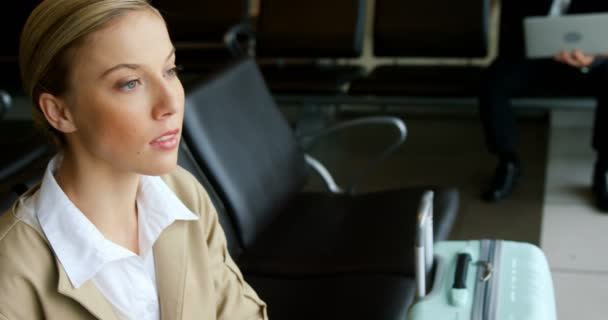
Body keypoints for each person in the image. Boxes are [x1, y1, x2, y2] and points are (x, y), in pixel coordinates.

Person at [0, 0, 267, 319]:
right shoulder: (11, 274)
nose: (170, 103)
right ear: (60, 112)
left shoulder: (183, 194)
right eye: (130, 83)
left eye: (170, 70)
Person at [480, 0, 608, 211]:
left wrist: (592, 60)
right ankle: (507, 161)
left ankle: (604, 167)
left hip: (592, 64)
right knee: (492, 80)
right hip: (536, 62)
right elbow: (512, 38)